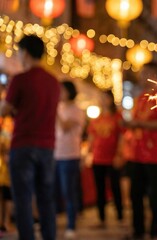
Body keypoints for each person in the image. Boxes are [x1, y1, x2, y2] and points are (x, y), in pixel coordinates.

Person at [0, 34, 60, 240]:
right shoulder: (54, 82)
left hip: (23, 145)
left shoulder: (20, 79)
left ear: (24, 52)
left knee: (23, 199)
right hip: (48, 146)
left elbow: (4, 110)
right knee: (46, 199)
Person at [122, 62, 157, 240]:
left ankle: (156, 232)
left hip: (156, 156)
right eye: (142, 73)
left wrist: (139, 124)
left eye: (147, 73)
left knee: (155, 197)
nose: (142, 77)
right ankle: (138, 231)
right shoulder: (141, 97)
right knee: (135, 195)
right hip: (136, 154)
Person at [86, 90, 124, 228]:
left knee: (115, 188)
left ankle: (120, 217)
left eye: (105, 98)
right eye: (101, 98)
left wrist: (119, 155)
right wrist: (88, 154)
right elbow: (91, 138)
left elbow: (122, 137)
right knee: (99, 189)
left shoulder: (117, 117)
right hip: (98, 158)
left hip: (112, 158)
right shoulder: (96, 118)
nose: (103, 100)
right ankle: (101, 218)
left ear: (110, 99)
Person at [54, 80, 85, 239]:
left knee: (69, 191)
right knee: (54, 191)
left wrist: (55, 110)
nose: (59, 93)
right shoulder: (58, 108)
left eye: (62, 90)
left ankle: (71, 225)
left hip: (70, 155)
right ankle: (53, 223)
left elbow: (65, 127)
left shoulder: (77, 110)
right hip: (55, 155)